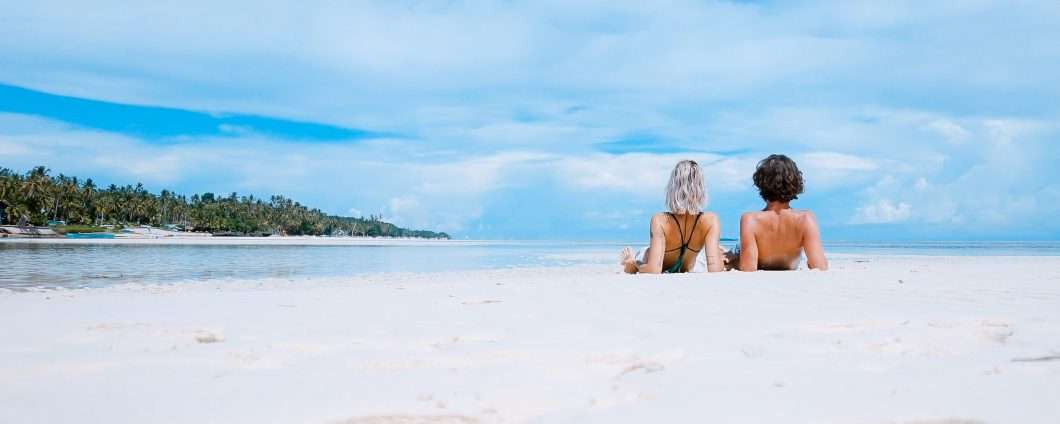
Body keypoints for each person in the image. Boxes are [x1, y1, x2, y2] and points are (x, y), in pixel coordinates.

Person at [620, 160, 724, 274]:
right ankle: (631, 262)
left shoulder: (660, 220)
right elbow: (715, 269)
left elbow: (653, 269)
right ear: (701, 188)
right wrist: (721, 258)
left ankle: (631, 262)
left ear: (673, 188)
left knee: (643, 258)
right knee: (700, 260)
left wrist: (635, 264)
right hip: (688, 265)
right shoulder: (711, 220)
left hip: (654, 261)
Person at [735, 154, 827, 271]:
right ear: (795, 183)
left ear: (761, 183)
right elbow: (819, 266)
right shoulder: (805, 219)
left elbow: (748, 267)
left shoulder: (750, 220)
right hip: (790, 266)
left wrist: (735, 260)